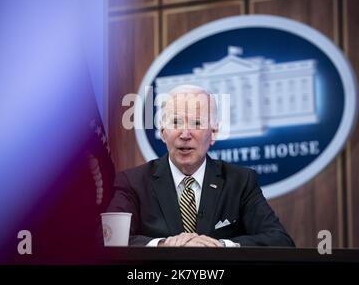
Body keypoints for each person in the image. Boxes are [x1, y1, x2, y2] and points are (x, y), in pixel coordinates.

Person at [107, 85, 295, 247]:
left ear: (213, 133)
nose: (185, 134)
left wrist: (221, 246)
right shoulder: (133, 182)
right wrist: (163, 244)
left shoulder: (240, 182)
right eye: (176, 122)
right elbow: (108, 239)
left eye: (196, 123)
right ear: (163, 133)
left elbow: (279, 240)